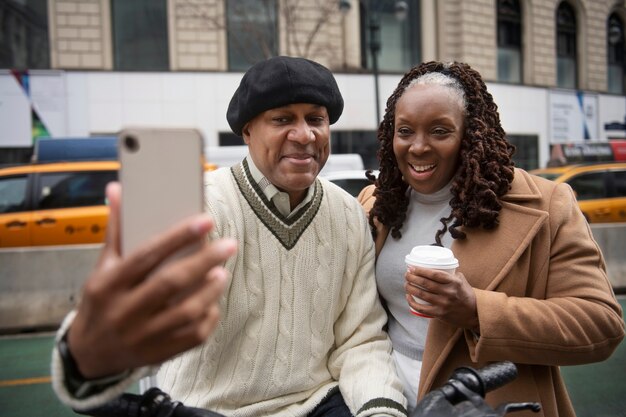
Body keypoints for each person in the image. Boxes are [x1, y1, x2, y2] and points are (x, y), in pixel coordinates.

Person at [51, 56, 408, 417]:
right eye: (282, 119)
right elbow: (148, 317)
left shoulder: (347, 214)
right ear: (247, 131)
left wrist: (380, 411)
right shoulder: (202, 207)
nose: (304, 135)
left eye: (316, 119)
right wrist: (87, 355)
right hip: (205, 408)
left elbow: (361, 340)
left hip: (318, 403)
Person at [358, 61, 625, 416]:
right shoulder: (376, 204)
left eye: (440, 131)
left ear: (470, 134)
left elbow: (599, 324)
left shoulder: (548, 205)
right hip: (387, 402)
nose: (418, 147)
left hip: (485, 405)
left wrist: (476, 311)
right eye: (405, 131)